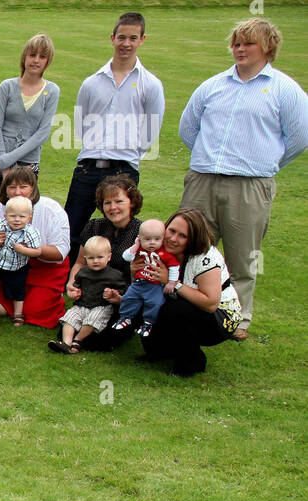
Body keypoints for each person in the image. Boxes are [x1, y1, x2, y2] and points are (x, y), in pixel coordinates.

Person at [178, 17, 308, 341]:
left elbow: (298, 138)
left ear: (267, 47)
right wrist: (210, 160)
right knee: (189, 246)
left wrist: (263, 164)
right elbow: (187, 128)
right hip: (203, 179)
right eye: (236, 43)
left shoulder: (284, 90)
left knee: (242, 255)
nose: (239, 49)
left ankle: (239, 318)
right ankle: (187, 304)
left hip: (249, 186)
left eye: (247, 43)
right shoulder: (213, 85)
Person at [64, 12, 164, 250]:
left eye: (132, 38)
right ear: (112, 38)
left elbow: (150, 130)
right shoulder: (92, 82)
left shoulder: (150, 84)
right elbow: (81, 123)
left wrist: (126, 151)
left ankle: (113, 283)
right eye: (121, 37)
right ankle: (67, 283)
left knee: (120, 232)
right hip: (88, 168)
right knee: (71, 228)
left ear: (142, 39)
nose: (126, 44)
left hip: (124, 169)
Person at [0, 33, 60, 285]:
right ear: (24, 57)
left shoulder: (51, 91)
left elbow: (42, 133)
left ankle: (14, 272)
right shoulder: (7, 86)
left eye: (42, 56)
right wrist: (2, 160)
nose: (36, 60)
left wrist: (12, 161)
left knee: (20, 215)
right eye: (32, 55)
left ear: (48, 61)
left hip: (27, 162)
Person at [137, 209, 243, 377]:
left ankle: (191, 363)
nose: (172, 238)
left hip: (220, 316)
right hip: (185, 303)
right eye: (171, 231)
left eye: (182, 236)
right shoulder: (157, 244)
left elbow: (210, 303)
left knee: (176, 310)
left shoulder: (205, 257)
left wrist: (173, 283)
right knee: (144, 298)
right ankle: (157, 351)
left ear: (193, 239)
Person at [0, 167, 71, 327]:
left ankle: (52, 297)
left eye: (23, 187)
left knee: (34, 311)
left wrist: (31, 250)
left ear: (33, 190)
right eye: (12, 187)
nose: (17, 192)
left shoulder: (51, 209)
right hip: (9, 268)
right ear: (5, 190)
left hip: (45, 269)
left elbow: (61, 252)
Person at [67, 174, 143, 352]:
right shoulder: (94, 226)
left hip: (123, 297)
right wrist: (72, 283)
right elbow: (79, 262)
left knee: (101, 342)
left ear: (131, 202)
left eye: (119, 201)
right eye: (107, 202)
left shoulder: (141, 232)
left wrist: (121, 299)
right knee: (70, 330)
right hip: (91, 295)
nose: (113, 207)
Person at [47, 236, 126, 354]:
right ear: (85, 258)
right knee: (70, 317)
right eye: (91, 258)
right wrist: (75, 292)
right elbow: (77, 285)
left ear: (109, 257)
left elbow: (123, 289)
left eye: (100, 257)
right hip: (82, 304)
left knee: (93, 320)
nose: (95, 261)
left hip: (101, 306)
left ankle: (78, 340)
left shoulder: (114, 275)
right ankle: (66, 343)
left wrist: (114, 293)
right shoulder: (83, 272)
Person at [110, 218, 179, 338]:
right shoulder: (139, 250)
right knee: (128, 298)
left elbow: (174, 266)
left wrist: (171, 282)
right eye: (147, 239)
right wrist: (136, 246)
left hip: (155, 285)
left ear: (163, 239)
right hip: (138, 283)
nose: (152, 243)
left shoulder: (163, 253)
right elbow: (126, 257)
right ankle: (126, 317)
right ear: (140, 238)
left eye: (157, 239)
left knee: (154, 303)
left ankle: (148, 323)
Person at [0, 196, 43, 326]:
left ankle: (18, 313)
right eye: (13, 216)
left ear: (29, 217)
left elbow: (38, 251)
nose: (17, 220)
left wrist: (24, 250)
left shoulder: (30, 232)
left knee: (17, 288)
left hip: (17, 266)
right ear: (6, 215)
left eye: (22, 216)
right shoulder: (2, 224)